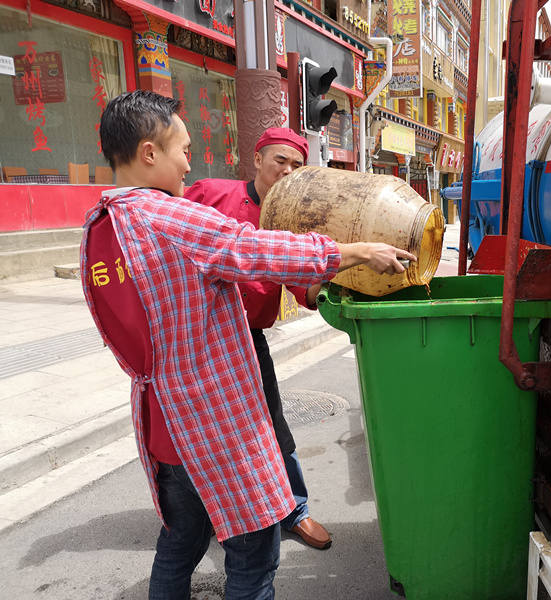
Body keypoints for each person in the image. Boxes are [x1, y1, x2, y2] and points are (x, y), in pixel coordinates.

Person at [80, 90, 415, 600]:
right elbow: (249, 249)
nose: (189, 162)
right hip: (215, 422)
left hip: (162, 425)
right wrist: (356, 250)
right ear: (150, 153)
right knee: (254, 557)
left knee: (178, 545)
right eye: (183, 149)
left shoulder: (97, 229)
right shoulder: (169, 216)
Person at [183, 127, 330, 550]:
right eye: (279, 160)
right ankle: (209, 511)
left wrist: (333, 283)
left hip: (249, 338)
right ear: (257, 160)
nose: (286, 170)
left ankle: (293, 511)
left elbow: (305, 285)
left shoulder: (294, 220)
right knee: (200, 428)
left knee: (271, 424)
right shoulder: (211, 193)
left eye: (296, 164)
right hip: (199, 334)